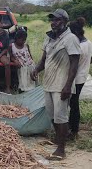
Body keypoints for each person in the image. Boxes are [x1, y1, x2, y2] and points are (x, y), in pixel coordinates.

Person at [30, 9, 80, 160]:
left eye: (57, 20)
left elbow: (74, 63)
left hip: (61, 85)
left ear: (64, 22)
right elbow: (45, 59)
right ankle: (59, 140)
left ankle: (61, 150)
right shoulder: (49, 38)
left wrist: (68, 85)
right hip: (49, 84)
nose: (53, 22)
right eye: (52, 20)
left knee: (61, 117)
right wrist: (36, 69)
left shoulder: (70, 38)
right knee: (52, 116)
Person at [68, 17, 92, 140]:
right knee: (74, 103)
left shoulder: (78, 47)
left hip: (75, 78)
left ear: (74, 32)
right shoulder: (88, 43)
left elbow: (72, 66)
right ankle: (73, 128)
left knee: (73, 104)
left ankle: (74, 130)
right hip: (82, 77)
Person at [10, 27, 36, 92]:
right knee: (23, 81)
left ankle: (31, 88)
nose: (23, 41)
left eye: (25, 39)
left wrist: (33, 63)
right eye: (22, 40)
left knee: (31, 80)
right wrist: (14, 61)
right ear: (16, 38)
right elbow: (11, 56)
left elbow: (30, 55)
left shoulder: (26, 45)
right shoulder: (12, 46)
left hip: (30, 65)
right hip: (21, 66)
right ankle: (22, 89)